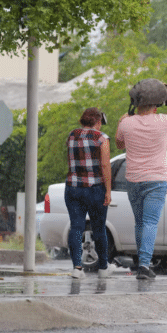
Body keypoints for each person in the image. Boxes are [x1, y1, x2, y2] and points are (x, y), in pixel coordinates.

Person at [116, 90, 167, 280]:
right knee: (150, 223)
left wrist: (120, 122)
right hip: (156, 179)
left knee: (139, 223)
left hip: (133, 179)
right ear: (155, 106)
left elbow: (119, 144)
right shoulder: (162, 120)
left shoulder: (126, 122)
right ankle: (144, 266)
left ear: (136, 104)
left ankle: (142, 264)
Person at [64, 108, 115, 279]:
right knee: (99, 228)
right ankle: (103, 267)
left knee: (76, 227)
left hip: (73, 188)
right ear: (98, 121)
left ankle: (77, 269)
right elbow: (105, 166)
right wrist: (108, 190)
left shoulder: (72, 135)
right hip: (95, 189)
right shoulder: (101, 138)